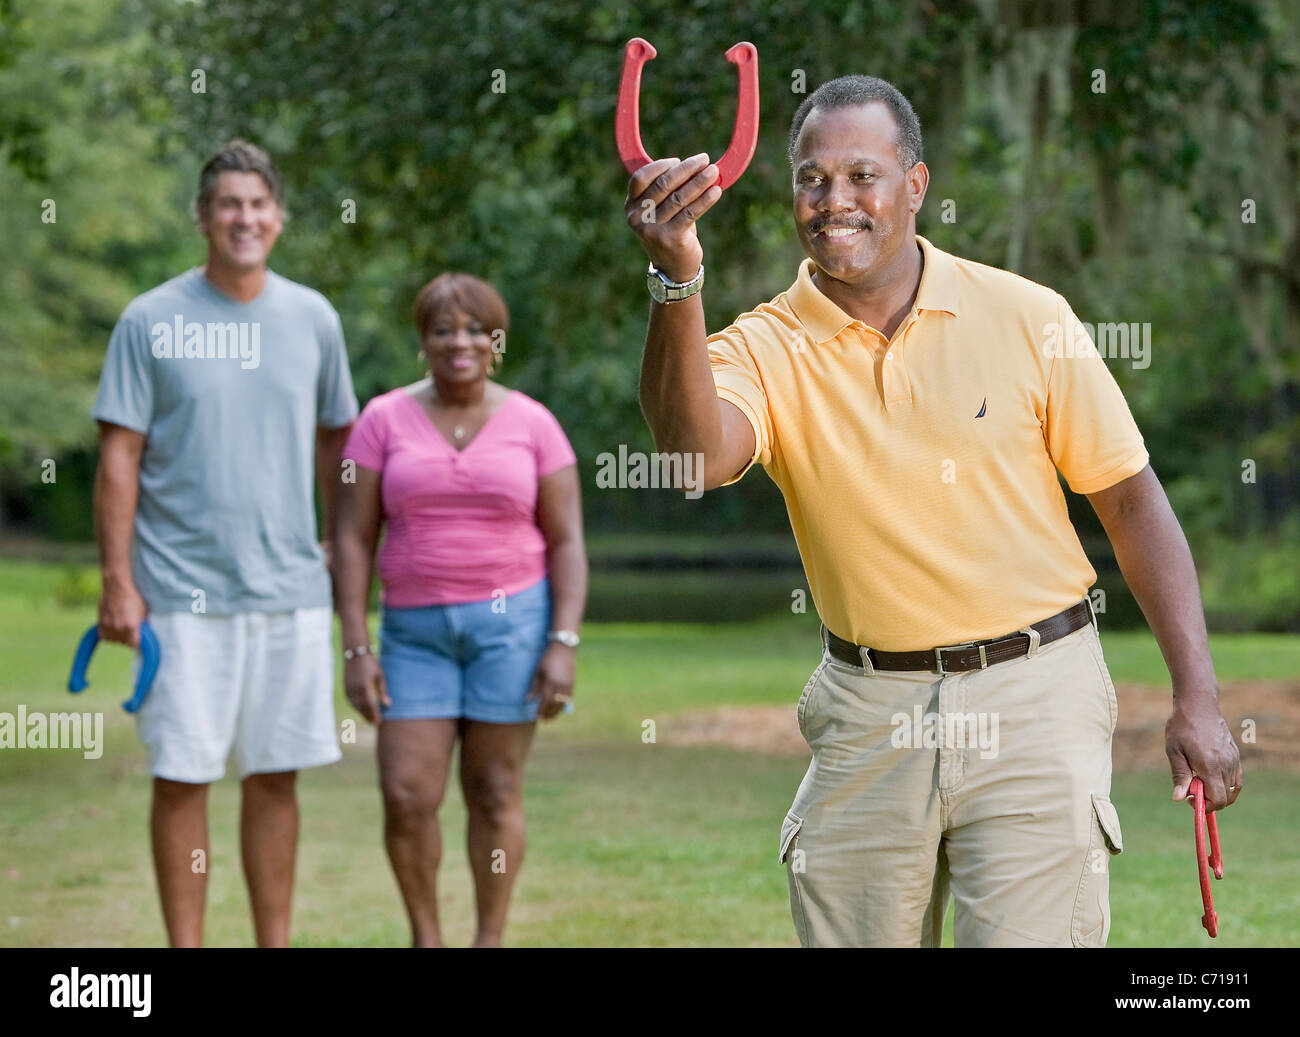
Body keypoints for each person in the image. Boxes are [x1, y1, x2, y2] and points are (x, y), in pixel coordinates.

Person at [624, 75, 1243, 947]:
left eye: (861, 175)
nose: (834, 200)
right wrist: (675, 278)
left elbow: (1133, 502)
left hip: (1038, 695)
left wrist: (1199, 697)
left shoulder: (1029, 317)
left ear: (915, 186)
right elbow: (694, 453)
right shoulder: (761, 343)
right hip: (867, 710)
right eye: (812, 178)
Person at [92, 140, 359, 946]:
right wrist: (117, 581)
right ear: (203, 217)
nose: (244, 218)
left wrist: (327, 542)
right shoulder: (150, 319)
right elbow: (119, 456)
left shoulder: (313, 317)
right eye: (228, 204)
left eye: (258, 204)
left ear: (277, 218)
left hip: (289, 594)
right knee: (182, 779)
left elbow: (337, 443)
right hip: (179, 595)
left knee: (275, 779)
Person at [333, 272, 586, 948]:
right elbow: (353, 541)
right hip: (414, 637)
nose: (460, 341)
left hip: (514, 632)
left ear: (497, 340)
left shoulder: (535, 424)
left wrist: (563, 641)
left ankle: (489, 938)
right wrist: (356, 647)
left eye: (476, 328)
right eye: (443, 329)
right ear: (423, 341)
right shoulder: (381, 421)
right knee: (408, 793)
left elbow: (567, 543)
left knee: (495, 788)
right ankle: (427, 936)